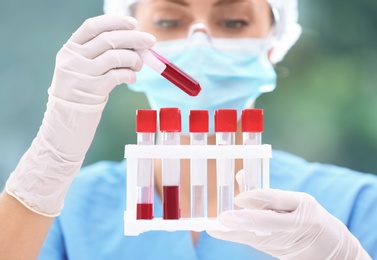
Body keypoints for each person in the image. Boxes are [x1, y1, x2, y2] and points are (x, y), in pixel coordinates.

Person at [1, 0, 376, 259]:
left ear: (273, 46)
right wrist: (49, 161)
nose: (200, 42)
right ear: (127, 44)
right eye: (168, 21)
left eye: (233, 22)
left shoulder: (357, 203)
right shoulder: (70, 210)